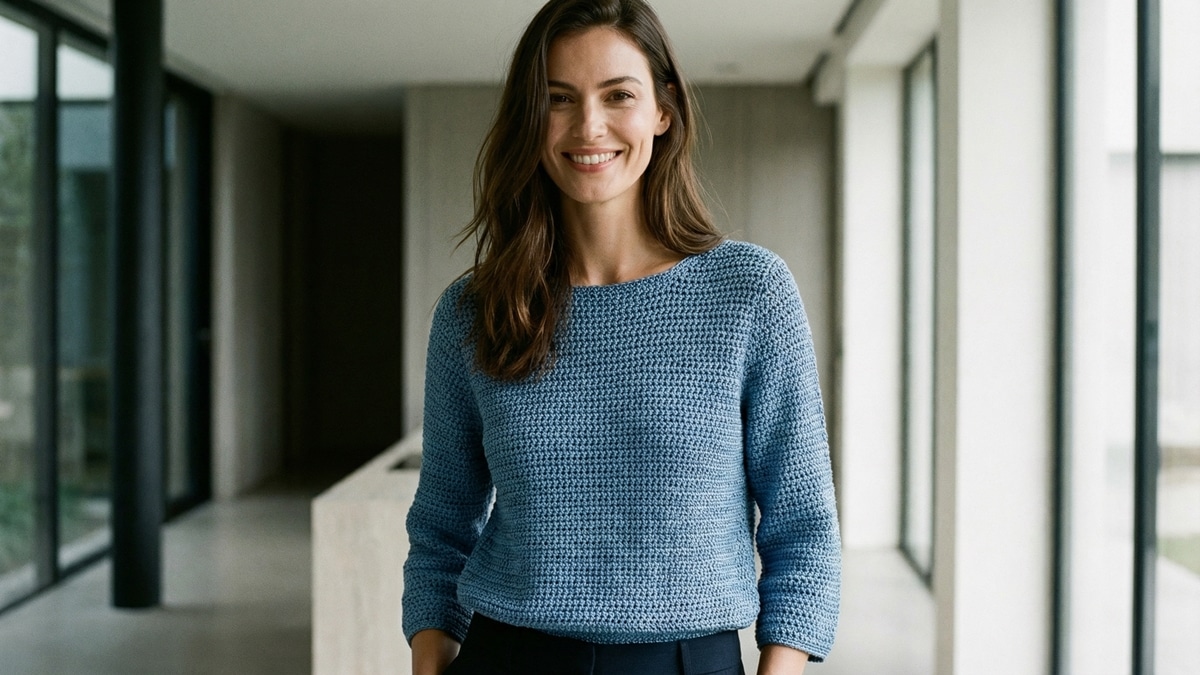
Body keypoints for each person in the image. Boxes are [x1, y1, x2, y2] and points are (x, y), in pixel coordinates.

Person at [401, 0, 841, 673]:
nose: (589, 126)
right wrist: (431, 659)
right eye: (558, 99)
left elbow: (803, 524)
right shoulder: (474, 310)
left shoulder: (749, 292)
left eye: (618, 95)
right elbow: (441, 521)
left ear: (663, 109)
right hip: (511, 655)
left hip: (687, 660)